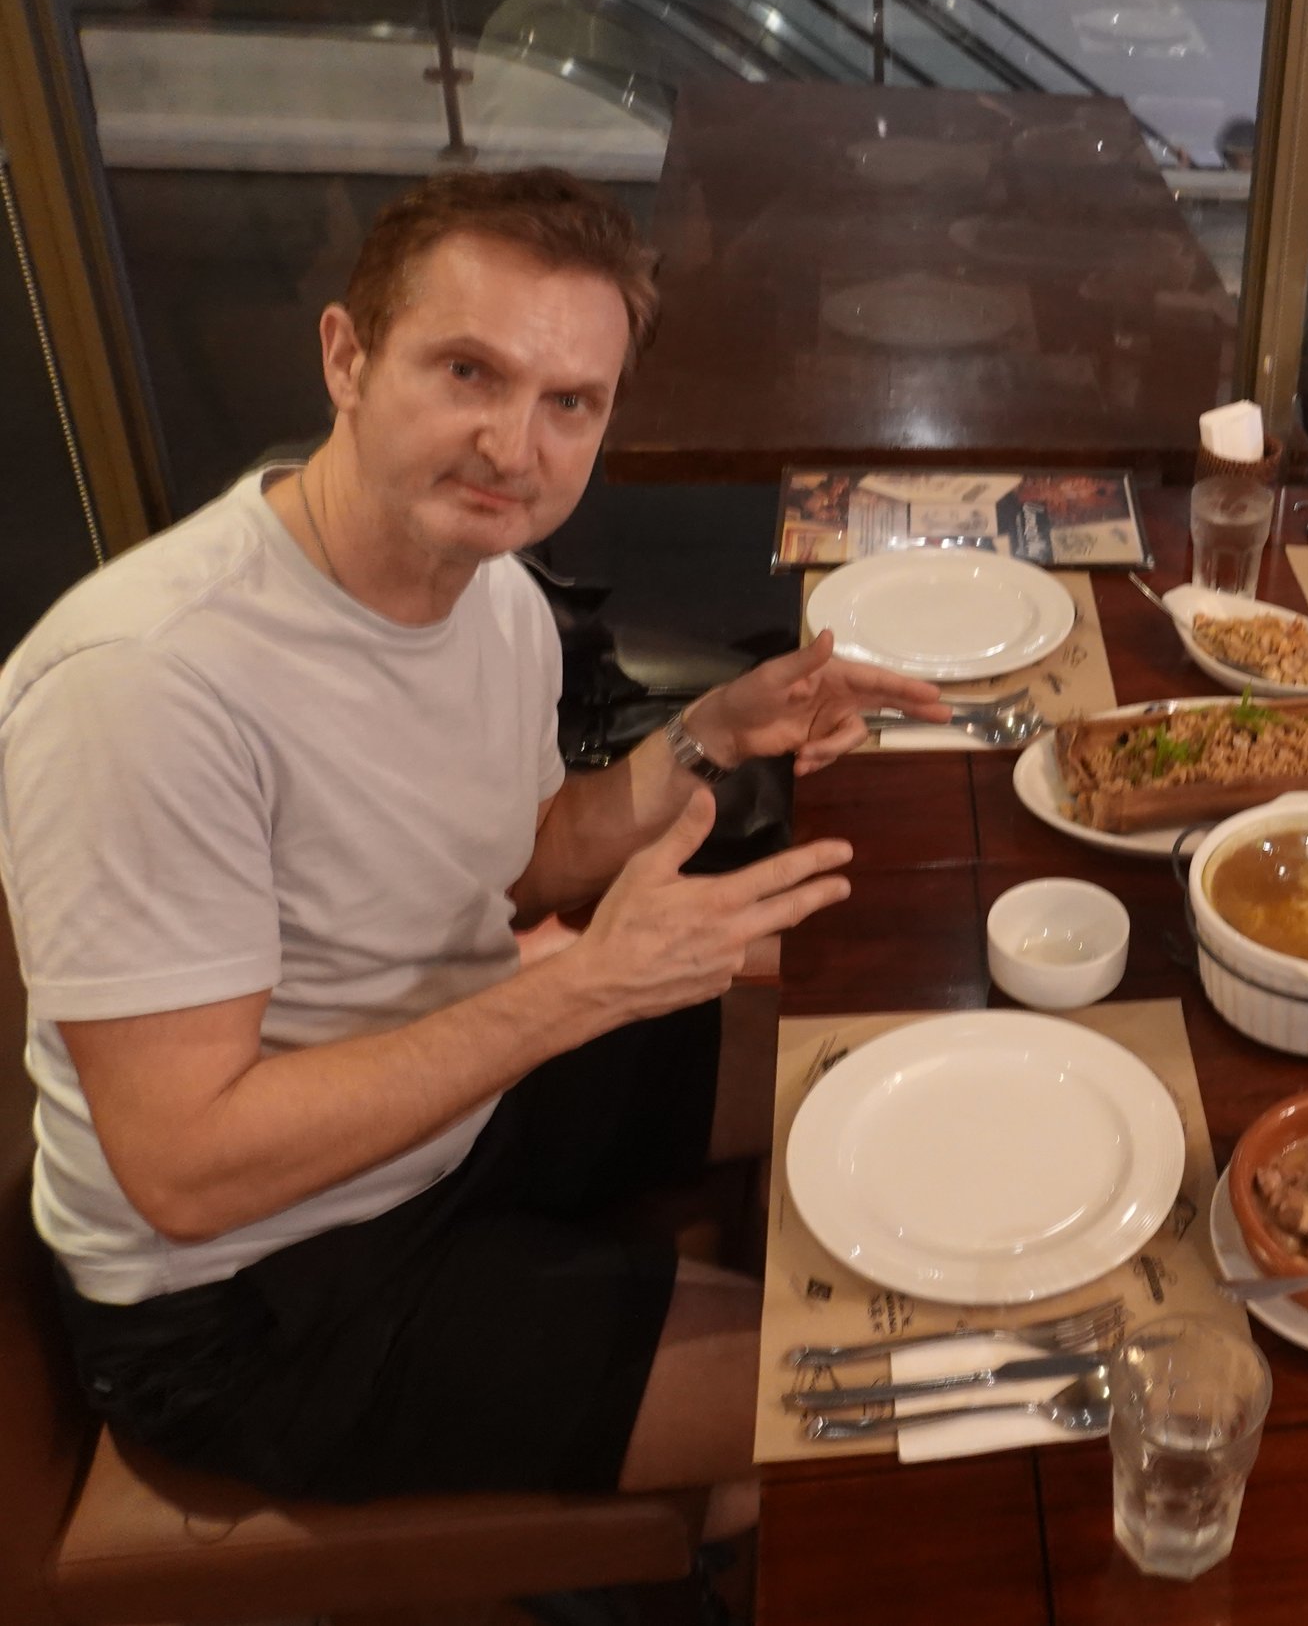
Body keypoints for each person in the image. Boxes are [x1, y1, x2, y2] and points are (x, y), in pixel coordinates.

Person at [0, 169, 947, 1539]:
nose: (516, 445)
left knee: (879, 1059)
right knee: (885, 1371)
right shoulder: (144, 685)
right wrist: (585, 990)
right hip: (247, 1292)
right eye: (468, 372)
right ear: (346, 356)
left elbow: (520, 861)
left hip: (454, 1096)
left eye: (572, 402)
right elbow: (185, 1168)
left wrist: (710, 736)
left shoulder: (493, 595)